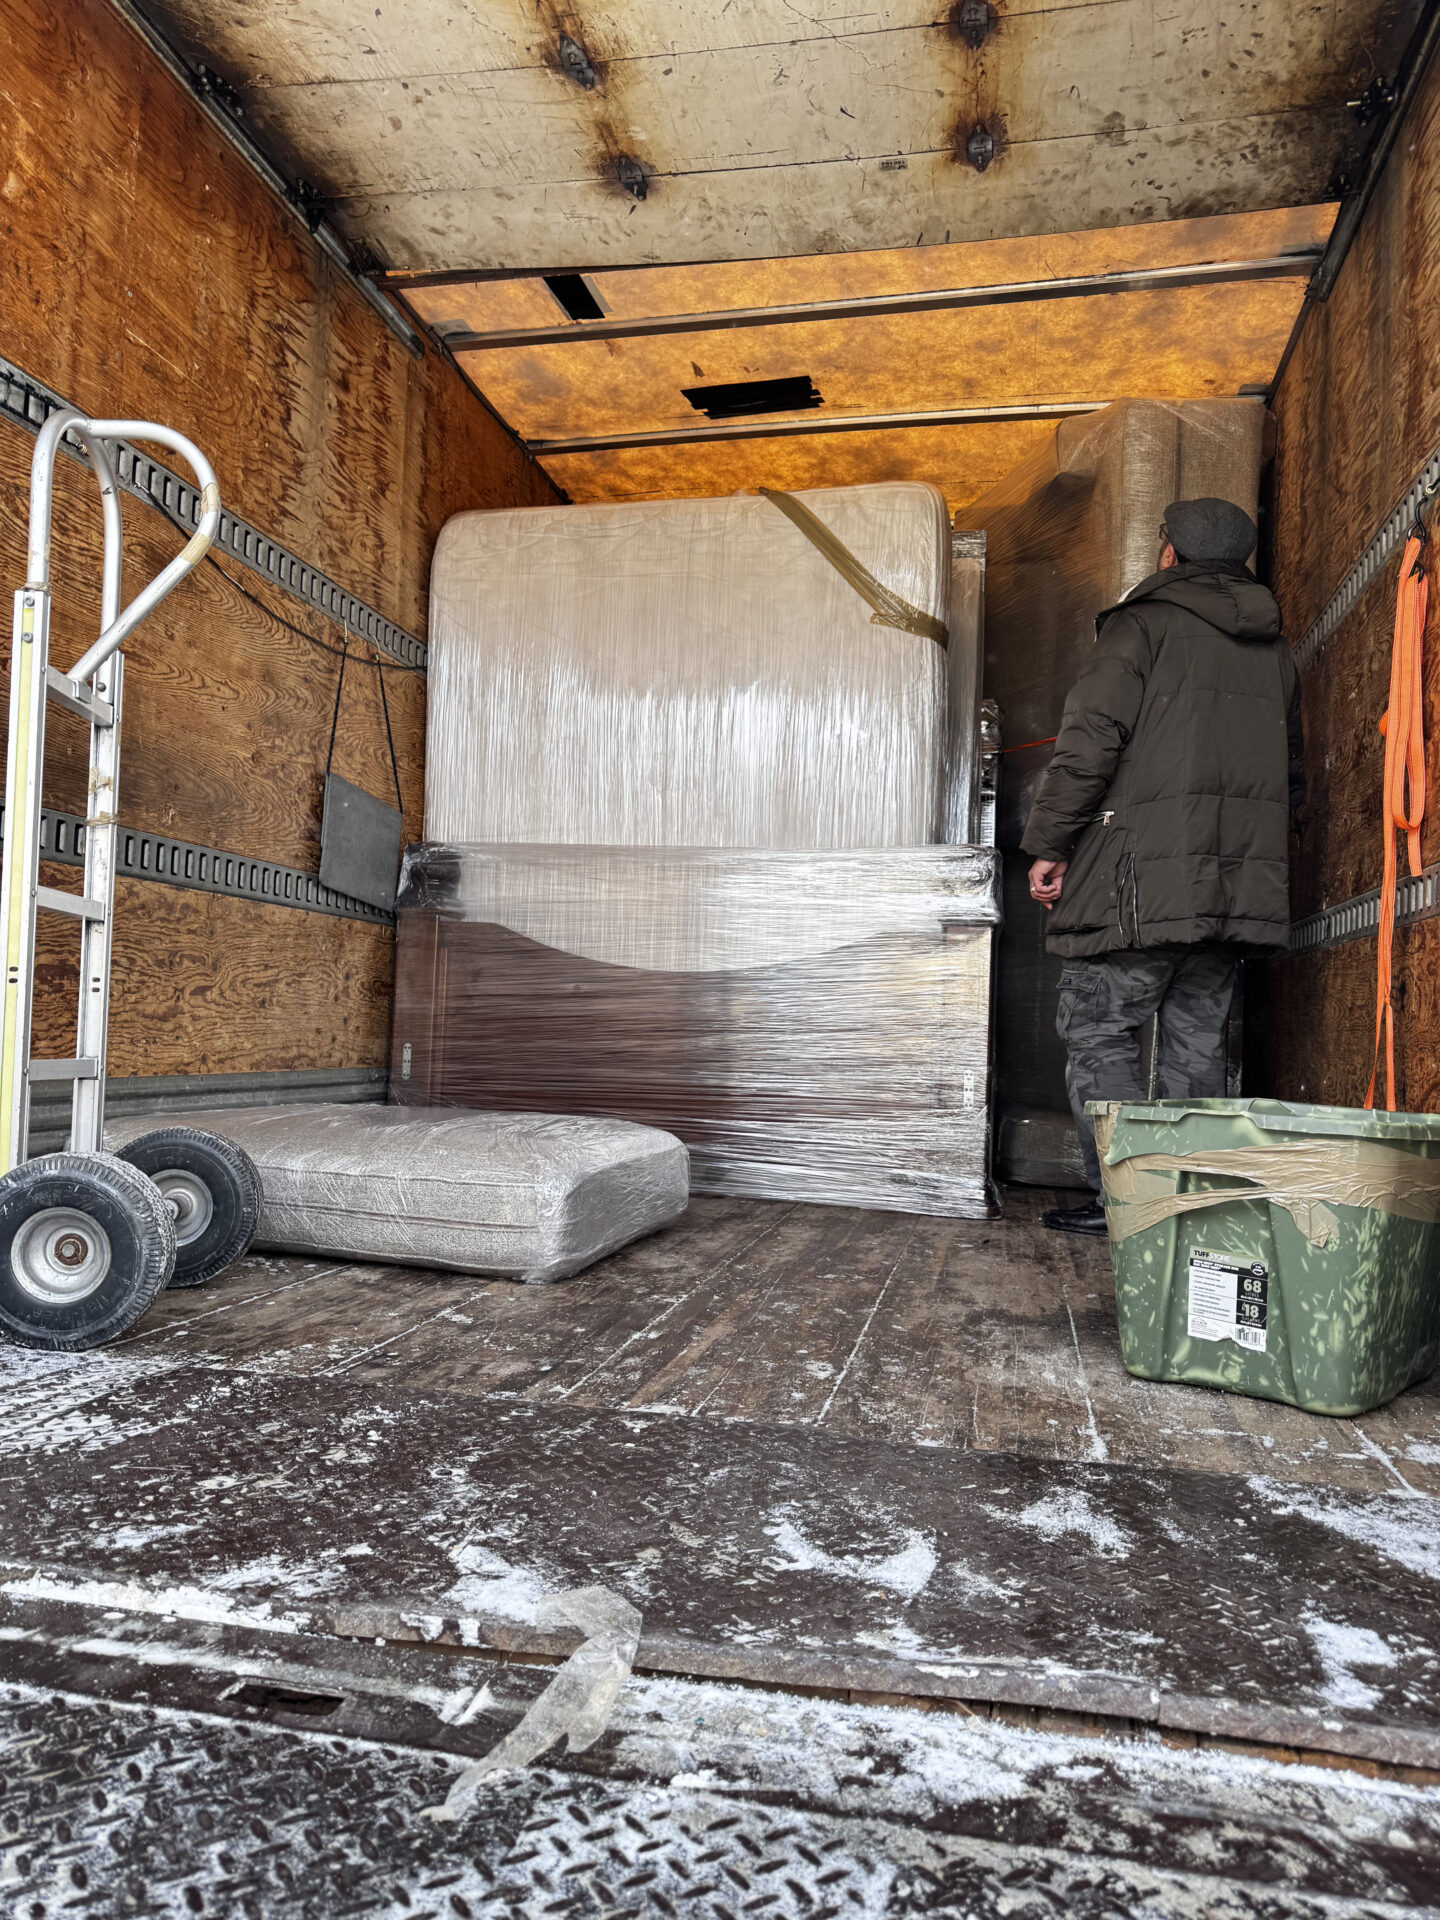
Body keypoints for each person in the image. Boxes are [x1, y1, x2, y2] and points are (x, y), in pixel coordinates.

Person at [1021, 497, 1304, 1235]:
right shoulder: (1274, 650)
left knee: (1098, 1030)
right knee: (1197, 1043)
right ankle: (1186, 1208)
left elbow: (1089, 745)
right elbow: (1290, 777)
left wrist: (1050, 844)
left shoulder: (1139, 626)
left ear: (1170, 552)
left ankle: (1128, 1202)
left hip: (1138, 887)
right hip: (1232, 894)